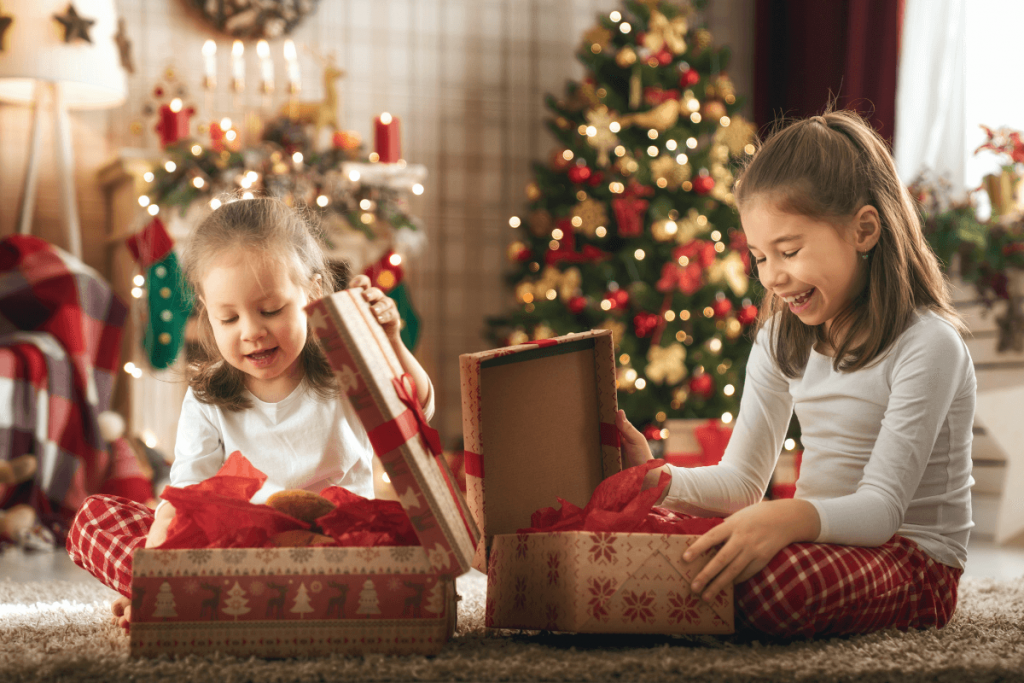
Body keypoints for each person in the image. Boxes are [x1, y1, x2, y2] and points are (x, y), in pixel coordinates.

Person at [617, 110, 975, 639]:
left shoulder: (928, 343)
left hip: (911, 559)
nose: (772, 277)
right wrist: (653, 480)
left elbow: (880, 511)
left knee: (765, 585)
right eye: (759, 257)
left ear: (864, 230)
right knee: (650, 542)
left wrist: (784, 520)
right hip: (818, 538)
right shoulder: (781, 338)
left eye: (789, 251)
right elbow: (740, 484)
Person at [66, 197, 435, 631]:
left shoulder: (344, 369)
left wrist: (391, 341)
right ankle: (193, 597)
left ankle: (215, 603)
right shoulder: (207, 398)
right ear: (207, 311)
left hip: (335, 544)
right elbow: (182, 499)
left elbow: (416, 407)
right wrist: (154, 584)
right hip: (239, 553)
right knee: (95, 520)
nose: (251, 332)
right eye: (228, 318)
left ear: (313, 294)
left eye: (271, 310)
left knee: (399, 542)